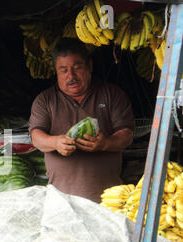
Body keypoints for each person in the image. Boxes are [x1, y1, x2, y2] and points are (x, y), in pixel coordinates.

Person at [28, 38, 135, 203]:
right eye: (63, 70)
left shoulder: (112, 94)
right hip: (61, 202)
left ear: (89, 66)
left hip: (109, 200)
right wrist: (55, 142)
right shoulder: (45, 100)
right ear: (56, 71)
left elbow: (126, 135)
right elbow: (36, 137)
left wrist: (105, 143)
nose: (71, 76)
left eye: (77, 68)